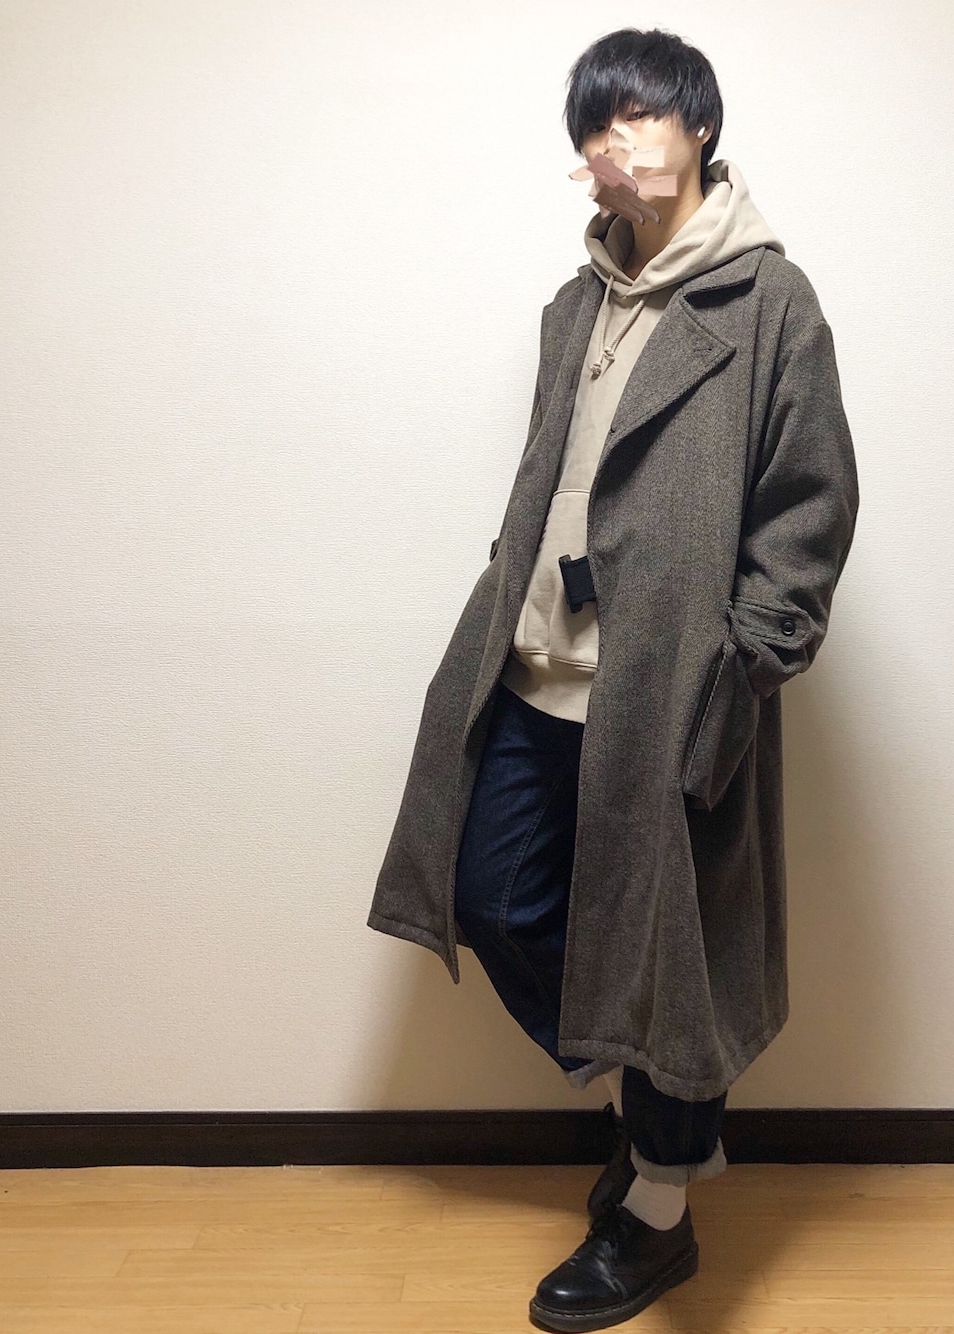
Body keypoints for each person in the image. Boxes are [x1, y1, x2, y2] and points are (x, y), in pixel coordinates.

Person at [367, 25, 859, 1332]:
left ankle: (658, 1211)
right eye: (595, 125)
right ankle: (657, 1122)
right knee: (493, 894)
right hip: (538, 669)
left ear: (700, 127)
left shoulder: (770, 304)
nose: (615, 141)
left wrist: (742, 664)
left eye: (640, 114)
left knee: (672, 960)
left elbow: (809, 512)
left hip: (668, 696)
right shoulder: (572, 305)